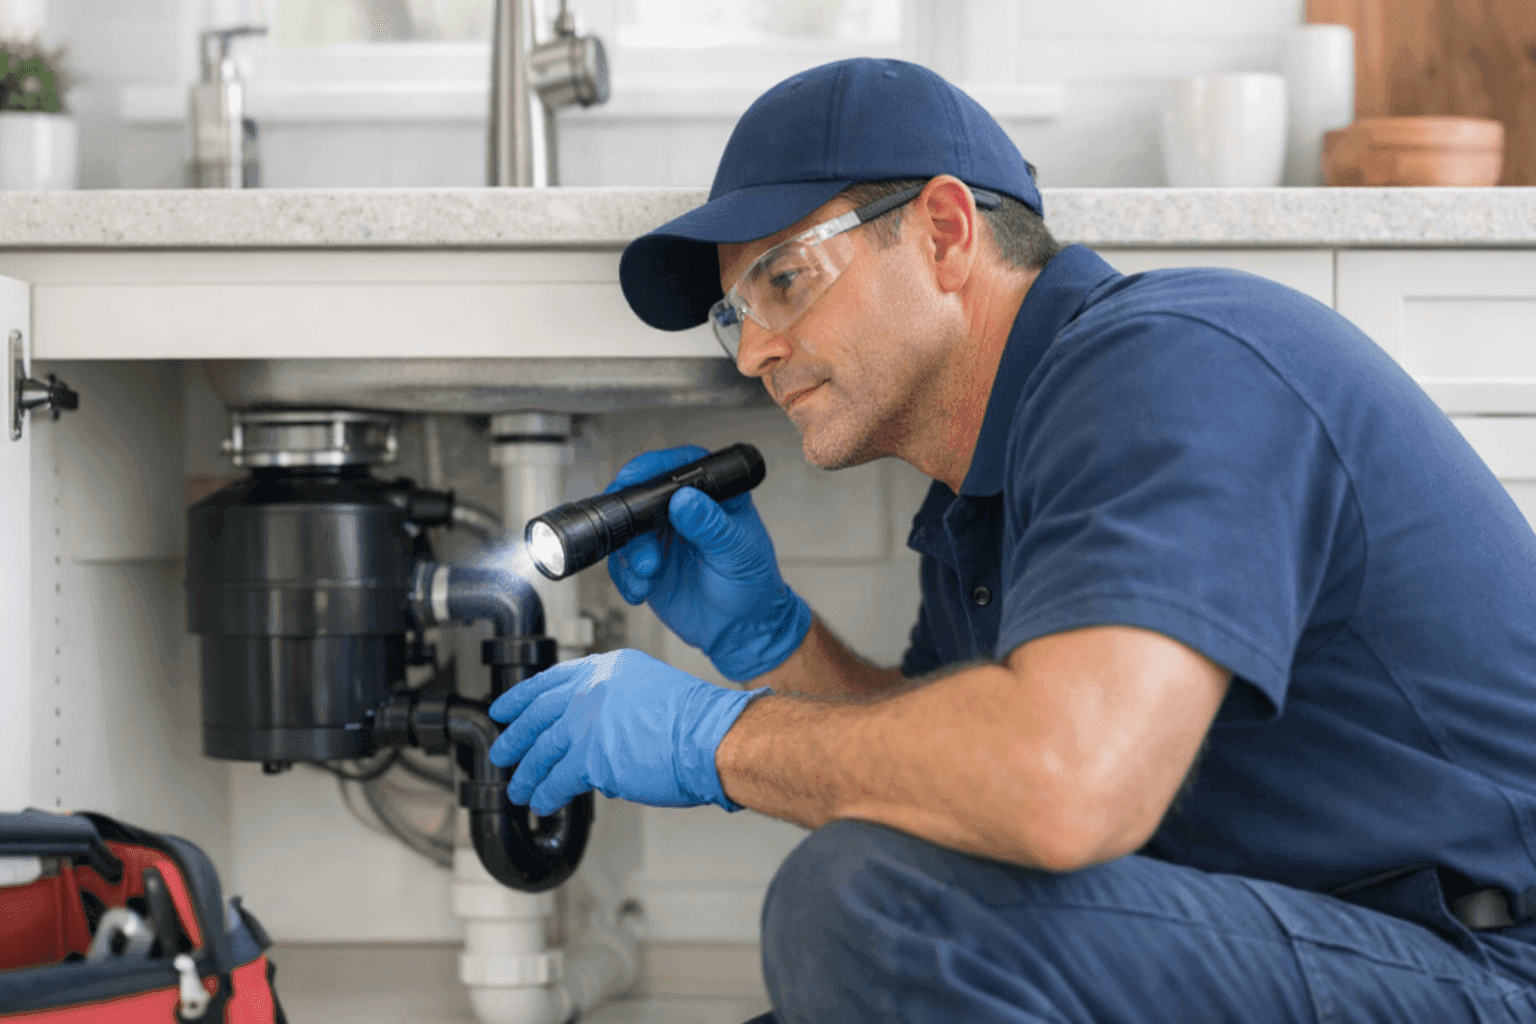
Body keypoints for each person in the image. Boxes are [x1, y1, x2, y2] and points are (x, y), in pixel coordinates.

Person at [486, 58, 1536, 1022]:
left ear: (945, 233)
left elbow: (1061, 781)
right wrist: (772, 642)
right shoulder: (985, 493)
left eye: (786, 278)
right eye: (733, 312)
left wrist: (713, 736)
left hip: (1484, 969)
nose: (755, 349)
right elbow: (950, 783)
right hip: (1324, 948)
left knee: (868, 905)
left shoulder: (1169, 367)